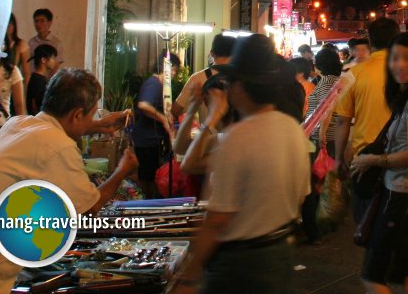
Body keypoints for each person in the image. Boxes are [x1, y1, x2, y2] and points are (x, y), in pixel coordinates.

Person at [0, 69, 137, 294]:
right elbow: (89, 209)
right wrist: (121, 171)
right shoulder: (57, 147)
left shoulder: (18, 124)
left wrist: (98, 125)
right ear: (77, 114)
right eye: (90, 116)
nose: (93, 121)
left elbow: (65, 126)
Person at [171, 34, 311, 294]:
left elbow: (217, 220)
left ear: (239, 87)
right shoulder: (292, 130)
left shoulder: (237, 138)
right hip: (280, 254)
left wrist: (190, 276)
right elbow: (301, 194)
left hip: (240, 265)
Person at [350, 32, 408, 294]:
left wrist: (371, 160)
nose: (399, 64)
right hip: (403, 195)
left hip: (404, 198)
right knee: (405, 277)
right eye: (395, 58)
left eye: (407, 58)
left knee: (373, 277)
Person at [334, 18, 400, 222]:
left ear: (370, 41)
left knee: (366, 222)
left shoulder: (354, 73)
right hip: (403, 155)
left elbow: (343, 121)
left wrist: (338, 159)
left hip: (365, 156)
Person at [301, 46, 346, 241]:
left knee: (319, 178)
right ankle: (325, 220)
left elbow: (327, 108)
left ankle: (320, 223)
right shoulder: (335, 80)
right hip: (326, 134)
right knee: (324, 177)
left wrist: (322, 134)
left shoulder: (328, 81)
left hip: (323, 136)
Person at [132, 53, 179, 199]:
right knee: (148, 179)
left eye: (175, 71)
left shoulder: (161, 86)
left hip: (153, 140)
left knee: (152, 176)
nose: (173, 74)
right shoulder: (153, 83)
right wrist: (163, 119)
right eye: (172, 69)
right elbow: (143, 105)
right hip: (146, 140)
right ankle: (148, 204)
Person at [172, 33, 235, 120]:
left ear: (212, 54)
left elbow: (176, 110)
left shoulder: (198, 78)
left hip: (207, 132)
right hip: (237, 133)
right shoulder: (242, 78)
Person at [26, 43, 62, 116]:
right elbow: (34, 106)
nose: (54, 61)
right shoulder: (37, 80)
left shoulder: (39, 78)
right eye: (52, 58)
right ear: (43, 60)